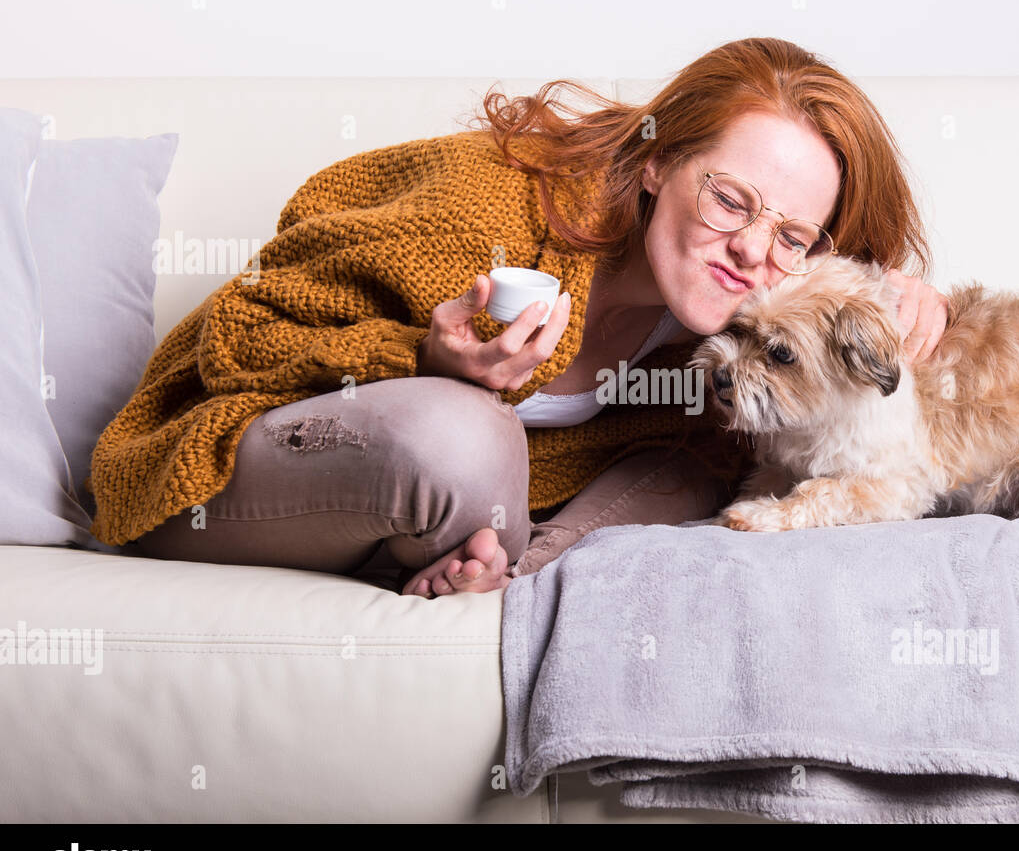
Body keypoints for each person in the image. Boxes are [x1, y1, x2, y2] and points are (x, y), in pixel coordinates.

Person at [94, 37, 947, 597]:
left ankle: (502, 582)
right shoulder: (490, 210)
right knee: (465, 434)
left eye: (792, 235)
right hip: (215, 475)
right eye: (730, 198)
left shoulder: (731, 345)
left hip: (435, 522)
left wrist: (913, 304)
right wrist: (421, 354)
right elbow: (241, 335)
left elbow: (839, 368)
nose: (752, 250)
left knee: (701, 482)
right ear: (657, 165)